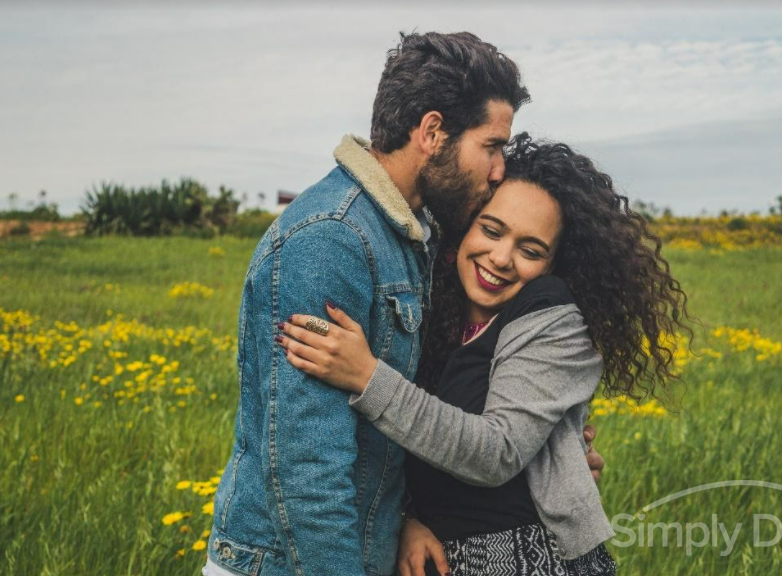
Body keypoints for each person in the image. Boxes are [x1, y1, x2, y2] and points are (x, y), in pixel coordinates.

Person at [203, 33, 603, 576]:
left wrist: (409, 517)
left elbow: (396, 432)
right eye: (491, 145)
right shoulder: (331, 240)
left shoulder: (417, 235)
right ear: (433, 133)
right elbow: (306, 470)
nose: (499, 169)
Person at [276, 134, 692, 575]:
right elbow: (403, 446)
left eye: (530, 251)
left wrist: (365, 376)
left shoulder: (553, 315)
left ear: (552, 265)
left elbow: (495, 452)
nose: (501, 257)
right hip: (434, 557)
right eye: (491, 230)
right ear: (464, 228)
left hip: (531, 559)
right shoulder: (428, 311)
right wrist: (407, 519)